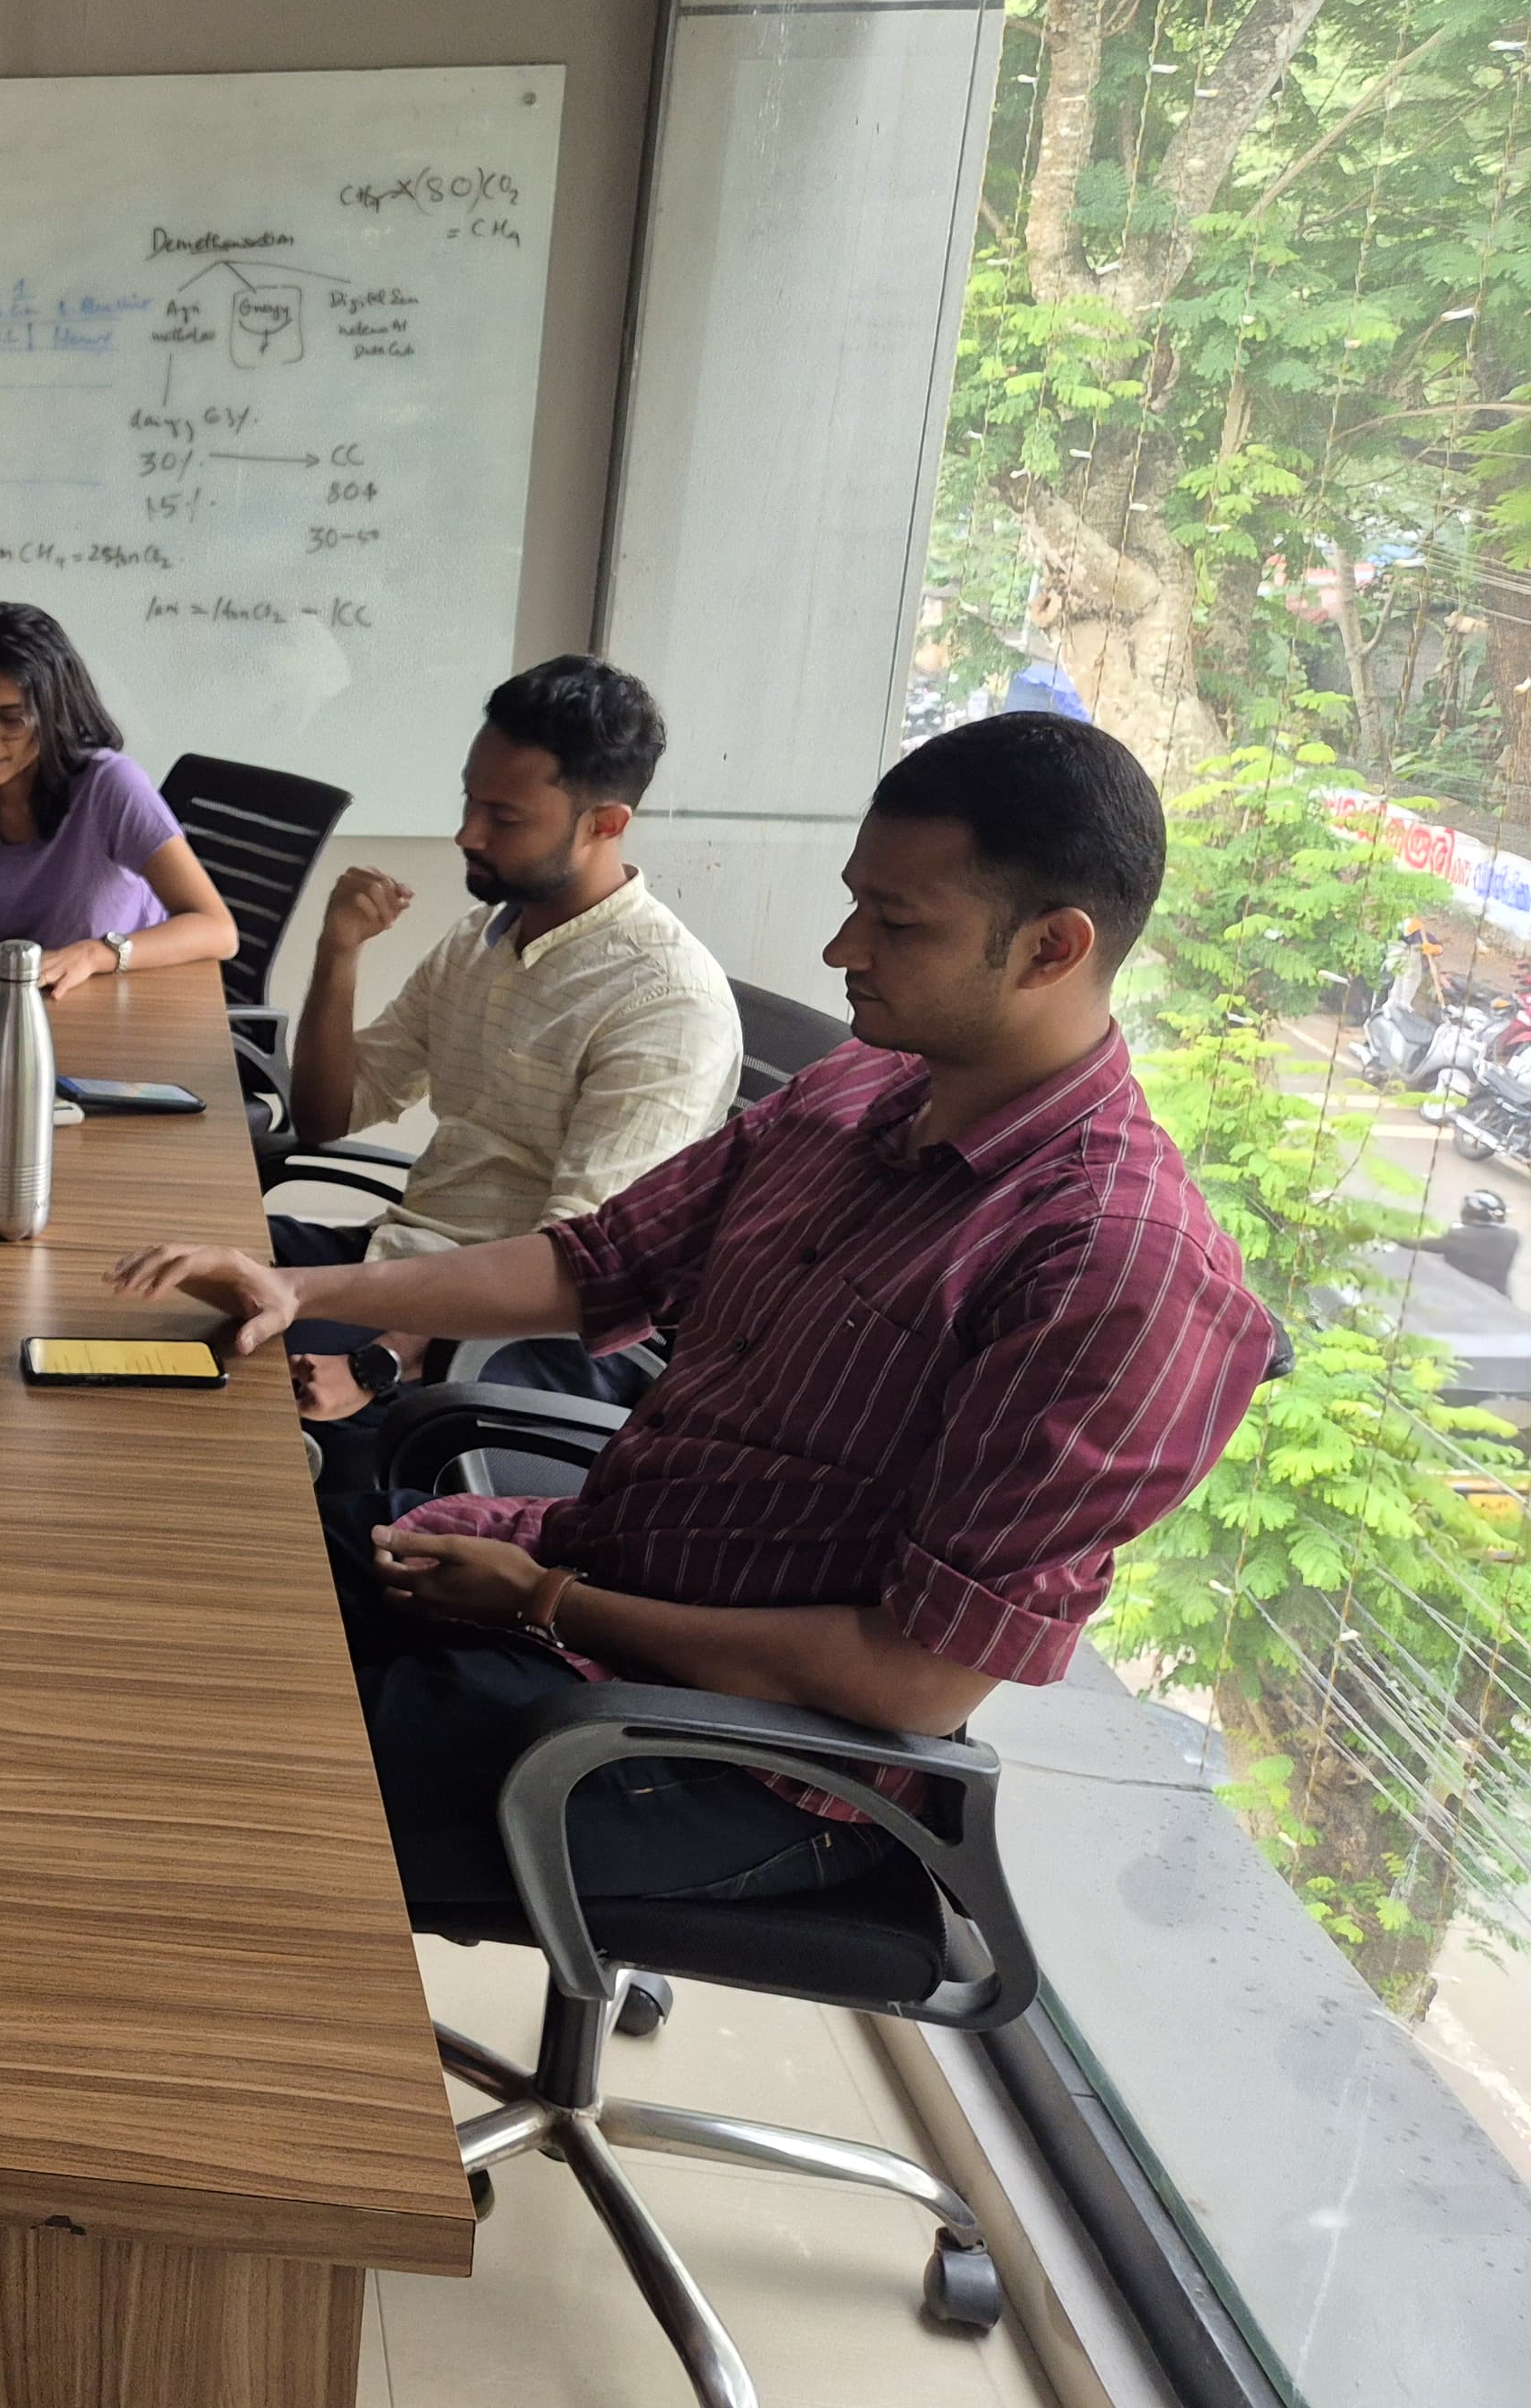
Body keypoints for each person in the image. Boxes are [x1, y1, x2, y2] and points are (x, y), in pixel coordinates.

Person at [112, 713, 1276, 1907]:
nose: (842, 949)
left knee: (205, 1795)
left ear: (1051, 949)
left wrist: (548, 1601)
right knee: (188, 1594)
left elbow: (913, 1687)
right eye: (855, 902)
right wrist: (302, 1287)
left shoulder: (1114, 1271)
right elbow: (594, 1262)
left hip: (735, 1756)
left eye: (897, 922)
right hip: (582, 1598)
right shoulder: (863, 1090)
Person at [273, 656, 738, 1428]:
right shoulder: (483, 937)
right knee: (165, 1278)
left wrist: (378, 1359)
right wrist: (338, 956)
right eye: (470, 799)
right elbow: (329, 1114)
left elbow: (574, 1270)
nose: (467, 833)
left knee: (223, 1385)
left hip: (518, 1345)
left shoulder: (667, 1004)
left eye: (506, 817)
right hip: (404, 1269)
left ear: (606, 824)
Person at [0, 602, 241, 999]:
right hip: (24, 1002)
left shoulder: (110, 785)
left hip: (123, 1002)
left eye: (11, 720)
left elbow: (218, 930)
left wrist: (95, 953)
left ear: (52, 714)